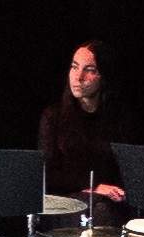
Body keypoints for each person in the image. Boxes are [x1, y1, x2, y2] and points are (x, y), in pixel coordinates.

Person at [41, 39, 124, 209]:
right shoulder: (54, 116)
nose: (78, 77)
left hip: (107, 200)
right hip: (65, 202)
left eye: (90, 70)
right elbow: (47, 174)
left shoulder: (119, 118)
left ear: (104, 76)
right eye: (74, 67)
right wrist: (93, 186)